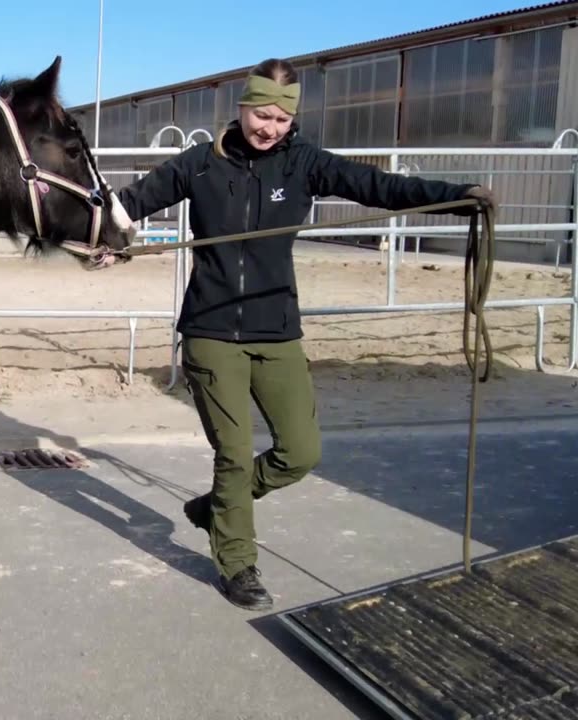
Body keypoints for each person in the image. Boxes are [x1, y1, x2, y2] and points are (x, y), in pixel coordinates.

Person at [113, 58, 495, 611]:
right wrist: (97, 233)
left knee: (301, 451)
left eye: (281, 119)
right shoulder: (198, 165)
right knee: (236, 455)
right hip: (212, 331)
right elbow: (127, 204)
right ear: (242, 107)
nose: (269, 128)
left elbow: (378, 186)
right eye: (261, 114)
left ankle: (219, 508)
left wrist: (459, 195)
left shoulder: (304, 164)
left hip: (276, 330)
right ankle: (238, 564)